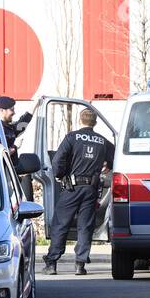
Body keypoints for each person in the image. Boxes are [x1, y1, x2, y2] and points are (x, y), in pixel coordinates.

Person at [44, 108, 113, 276]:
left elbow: (58, 161)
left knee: (61, 224)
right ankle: (80, 264)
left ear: (79, 120)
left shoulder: (72, 137)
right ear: (95, 122)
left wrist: (60, 176)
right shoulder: (103, 141)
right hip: (91, 189)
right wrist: (105, 167)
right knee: (85, 226)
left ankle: (52, 263)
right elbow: (113, 160)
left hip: (71, 187)